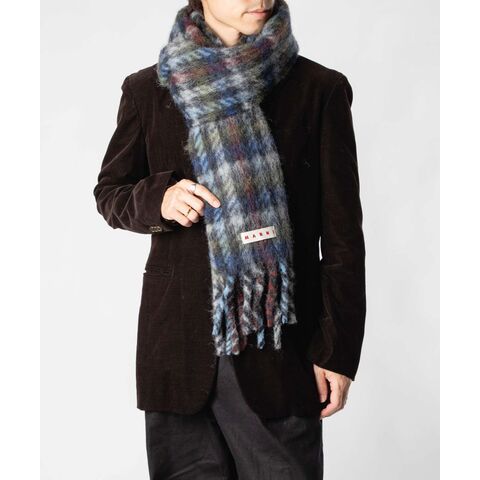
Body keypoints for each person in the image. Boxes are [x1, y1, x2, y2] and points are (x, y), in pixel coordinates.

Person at [93, 0, 366, 478]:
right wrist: (159, 199)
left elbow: (343, 239)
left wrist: (337, 352)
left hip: (281, 351)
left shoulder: (318, 88)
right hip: (177, 352)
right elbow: (110, 193)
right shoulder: (147, 90)